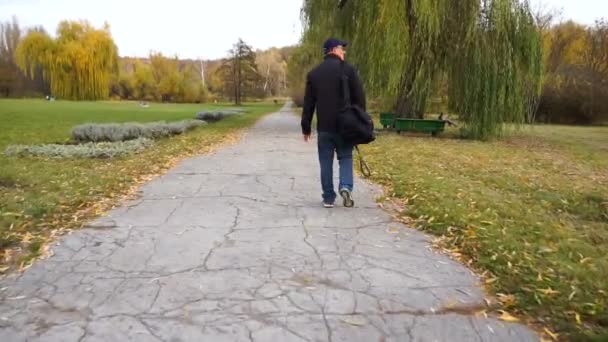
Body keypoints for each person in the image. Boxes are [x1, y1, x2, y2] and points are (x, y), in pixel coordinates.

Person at [301, 38, 367, 208]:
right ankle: (345, 186)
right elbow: (359, 97)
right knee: (345, 157)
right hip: (346, 126)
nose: (344, 52)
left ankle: (328, 198)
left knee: (325, 161)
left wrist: (306, 127)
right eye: (342, 48)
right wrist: (360, 119)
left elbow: (309, 103)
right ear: (333, 49)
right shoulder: (349, 70)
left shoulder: (314, 73)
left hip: (325, 127)